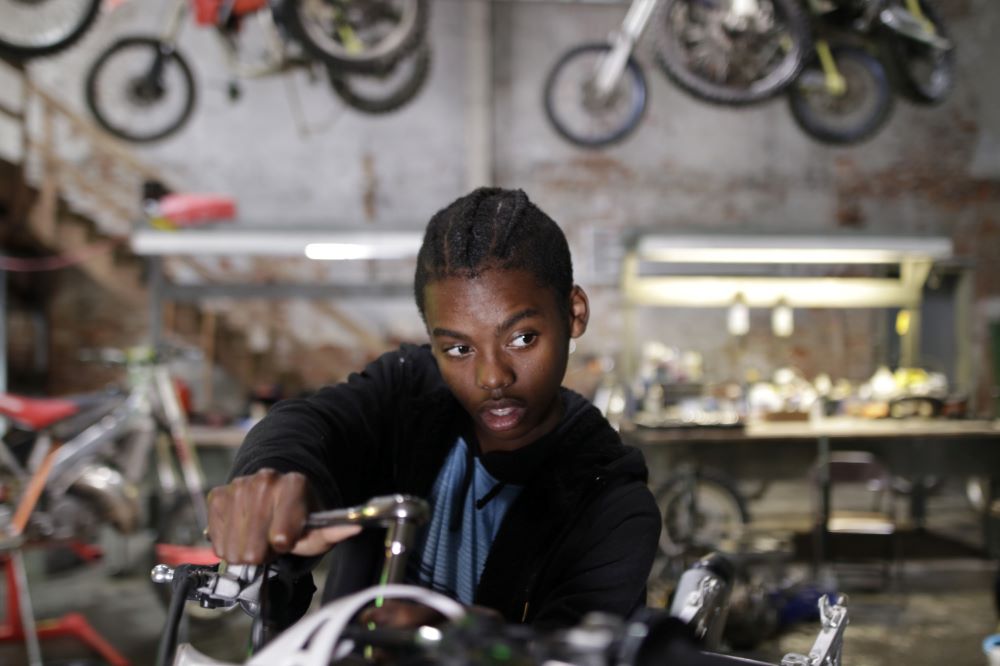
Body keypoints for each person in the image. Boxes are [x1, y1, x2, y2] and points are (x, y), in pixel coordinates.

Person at [206, 187, 661, 632]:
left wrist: (465, 639)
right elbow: (312, 423)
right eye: (459, 348)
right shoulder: (407, 396)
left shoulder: (610, 504)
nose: (492, 377)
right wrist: (276, 477)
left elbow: (581, 649)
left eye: (521, 338)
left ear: (573, 313)